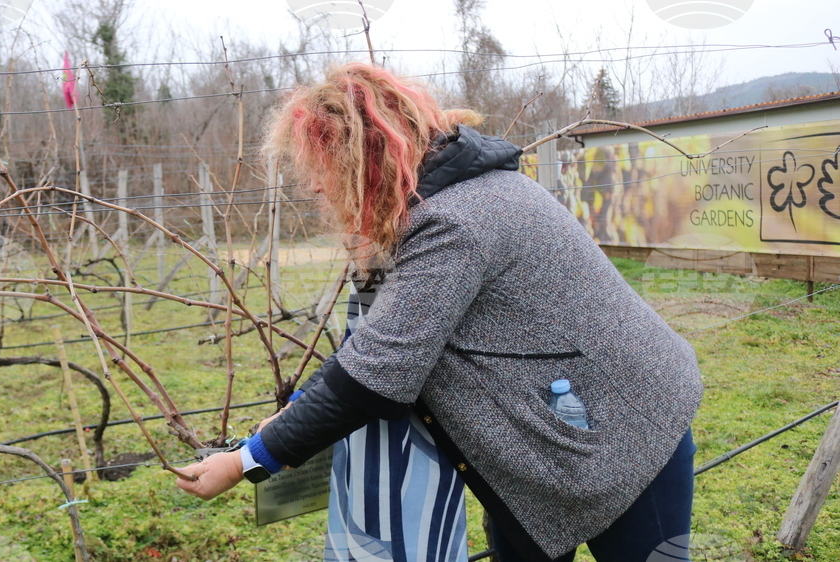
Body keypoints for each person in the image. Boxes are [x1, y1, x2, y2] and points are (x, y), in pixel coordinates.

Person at [176, 62, 703, 562]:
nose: (315, 186)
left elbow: (374, 376)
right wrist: (295, 410)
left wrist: (244, 461)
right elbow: (378, 343)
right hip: (545, 449)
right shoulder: (446, 201)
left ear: (369, 158)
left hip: (631, 435)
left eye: (325, 168)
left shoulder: (452, 222)